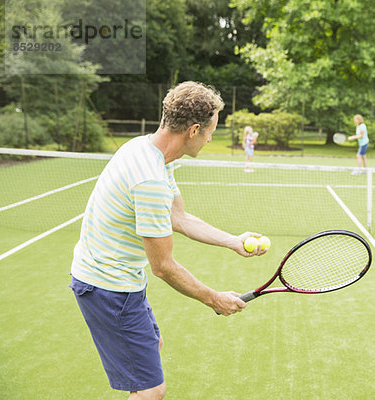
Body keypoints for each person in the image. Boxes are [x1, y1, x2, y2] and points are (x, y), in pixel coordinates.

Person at [69, 81, 267, 399]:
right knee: (152, 391)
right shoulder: (150, 180)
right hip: (106, 286)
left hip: (120, 279)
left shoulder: (150, 152)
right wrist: (214, 298)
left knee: (153, 345)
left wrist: (233, 240)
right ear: (194, 130)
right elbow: (163, 267)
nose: (211, 137)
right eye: (211, 130)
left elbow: (179, 218)